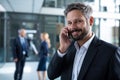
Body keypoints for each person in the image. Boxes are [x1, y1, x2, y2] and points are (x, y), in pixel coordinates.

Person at [47, 2, 120, 80]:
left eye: (78, 21)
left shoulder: (110, 52)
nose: (73, 27)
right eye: (69, 23)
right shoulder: (67, 49)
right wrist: (62, 49)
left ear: (91, 21)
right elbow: (51, 75)